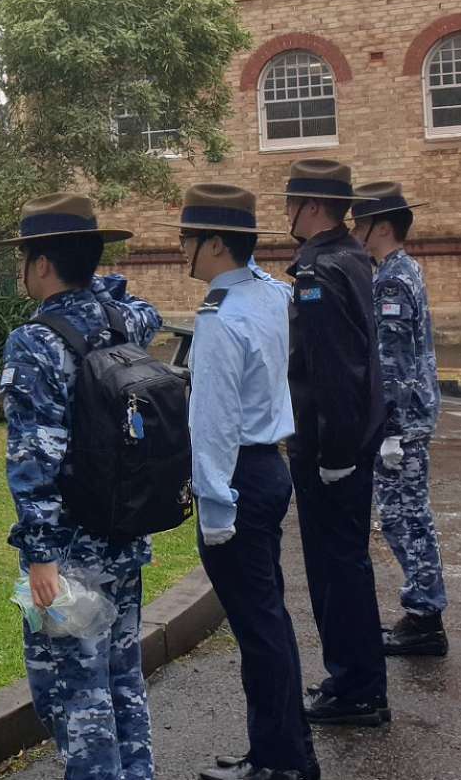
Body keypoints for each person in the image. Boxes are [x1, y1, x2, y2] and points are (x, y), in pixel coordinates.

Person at [0, 194, 162, 780]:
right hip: (125, 529)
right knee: (121, 678)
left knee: (71, 692)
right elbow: (145, 308)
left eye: (24, 258)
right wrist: (97, 285)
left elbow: (34, 454)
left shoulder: (35, 342)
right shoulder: (125, 322)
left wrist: (40, 555)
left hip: (67, 550)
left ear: (42, 263)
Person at [164, 185, 319, 780]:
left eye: (188, 238)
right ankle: (282, 750)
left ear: (215, 244)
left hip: (239, 477)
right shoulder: (270, 294)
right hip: (267, 469)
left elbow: (213, 424)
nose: (181, 248)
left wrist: (214, 509)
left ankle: (283, 761)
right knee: (268, 619)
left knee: (259, 628)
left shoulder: (221, 319)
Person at [278, 159, 391, 727]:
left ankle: (356, 688)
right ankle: (355, 680)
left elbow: (335, 370)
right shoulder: (349, 257)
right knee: (343, 565)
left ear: (312, 207)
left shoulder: (320, 270)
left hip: (331, 447)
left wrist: (335, 454)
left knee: (336, 569)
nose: (285, 212)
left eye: (290, 202)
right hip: (346, 441)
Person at [352, 182, 450, 658]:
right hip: (412, 417)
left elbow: (393, 361)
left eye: (361, 223)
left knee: (404, 518)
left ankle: (425, 617)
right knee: (409, 516)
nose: (356, 231)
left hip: (402, 422)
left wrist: (389, 431)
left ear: (383, 227)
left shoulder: (391, 279)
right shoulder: (402, 269)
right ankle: (423, 611)